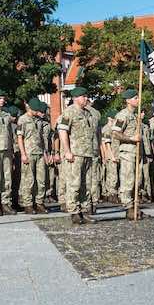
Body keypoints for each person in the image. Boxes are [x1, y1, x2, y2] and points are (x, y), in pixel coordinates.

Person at [56, 87, 100, 223]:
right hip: (75, 153)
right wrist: (67, 151)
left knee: (86, 184)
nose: (86, 99)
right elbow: (62, 131)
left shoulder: (88, 113)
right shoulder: (69, 112)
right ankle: (74, 211)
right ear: (75, 98)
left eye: (86, 96)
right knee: (74, 183)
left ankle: (84, 210)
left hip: (88, 153)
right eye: (83, 96)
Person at [16, 100, 50, 215]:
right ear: (29, 108)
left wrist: (45, 153)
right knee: (28, 180)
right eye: (35, 110)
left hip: (39, 153)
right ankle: (28, 204)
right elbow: (20, 138)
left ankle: (39, 203)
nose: (37, 112)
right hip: (29, 153)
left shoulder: (39, 120)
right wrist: (23, 154)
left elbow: (42, 138)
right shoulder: (22, 120)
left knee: (41, 180)